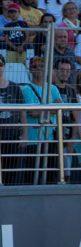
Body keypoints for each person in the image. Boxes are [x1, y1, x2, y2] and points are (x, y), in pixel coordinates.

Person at [20, 55, 63, 184]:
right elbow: (32, 112)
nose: (38, 69)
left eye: (41, 66)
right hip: (33, 138)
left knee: (51, 175)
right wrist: (51, 108)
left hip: (50, 137)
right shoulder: (26, 89)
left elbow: (60, 109)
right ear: (30, 69)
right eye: (35, 66)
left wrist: (43, 110)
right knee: (31, 176)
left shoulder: (53, 88)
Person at [0, 54, 26, 184]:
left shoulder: (15, 87)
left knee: (11, 170)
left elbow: (22, 112)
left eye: (0, 64)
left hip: (12, 134)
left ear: (4, 66)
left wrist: (25, 134)